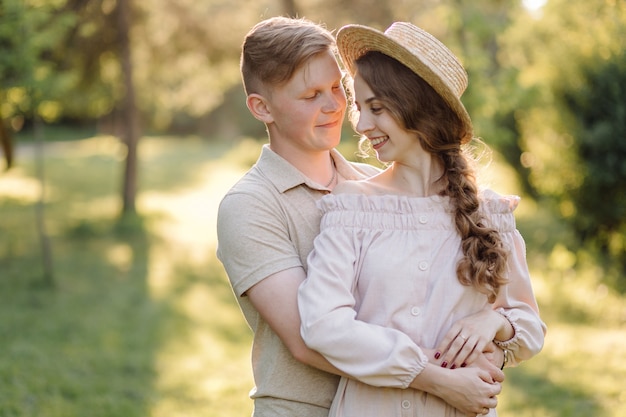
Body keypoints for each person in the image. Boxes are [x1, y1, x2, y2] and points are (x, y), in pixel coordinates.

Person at [298, 22, 547, 417]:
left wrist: (493, 323)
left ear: (419, 106)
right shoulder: (353, 208)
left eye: (376, 108)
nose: (362, 126)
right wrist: (430, 370)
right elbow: (323, 325)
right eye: (361, 109)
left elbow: (530, 329)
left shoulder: (492, 214)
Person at [216, 16, 380, 417]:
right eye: (311, 96)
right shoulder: (249, 205)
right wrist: (436, 377)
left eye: (337, 87)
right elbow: (307, 340)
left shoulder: (381, 185)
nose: (334, 106)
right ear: (262, 108)